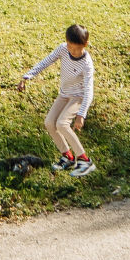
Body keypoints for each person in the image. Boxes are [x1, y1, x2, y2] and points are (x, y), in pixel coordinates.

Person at [19, 25, 96, 176]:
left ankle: (85, 160)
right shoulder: (63, 49)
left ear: (85, 45)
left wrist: (81, 114)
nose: (73, 51)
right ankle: (67, 156)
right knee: (49, 122)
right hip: (64, 94)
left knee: (62, 124)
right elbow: (45, 62)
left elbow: (89, 90)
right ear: (66, 42)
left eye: (77, 49)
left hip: (78, 97)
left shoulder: (86, 63)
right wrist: (27, 77)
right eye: (70, 47)